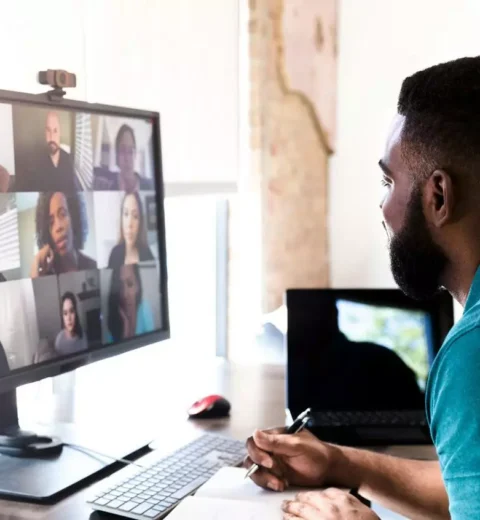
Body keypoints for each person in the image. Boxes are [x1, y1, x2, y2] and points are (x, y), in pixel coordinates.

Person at [246, 57, 480, 520]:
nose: (382, 206)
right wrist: (338, 463)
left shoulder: (471, 356)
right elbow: (466, 488)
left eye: (389, 181)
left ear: (438, 196)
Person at [31, 192, 97, 277]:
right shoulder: (45, 275)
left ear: (73, 217)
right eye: (51, 222)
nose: (58, 227)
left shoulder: (93, 267)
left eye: (62, 214)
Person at [16, 111, 77, 192]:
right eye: (48, 130)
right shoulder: (34, 163)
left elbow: (73, 193)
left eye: (55, 131)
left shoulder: (69, 160)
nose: (51, 137)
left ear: (60, 133)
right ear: (45, 132)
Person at [93, 124, 154, 191]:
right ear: (117, 155)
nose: (127, 158)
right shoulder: (108, 186)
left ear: (135, 154)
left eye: (130, 151)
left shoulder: (150, 187)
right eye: (122, 150)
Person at [107, 264, 154, 342]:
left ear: (137, 286)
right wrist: (125, 330)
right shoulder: (113, 318)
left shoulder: (144, 308)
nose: (125, 294)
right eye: (120, 286)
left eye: (130, 284)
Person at [108, 191, 154, 268]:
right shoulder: (114, 253)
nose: (129, 224)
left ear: (140, 222)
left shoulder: (147, 254)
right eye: (126, 214)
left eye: (135, 216)